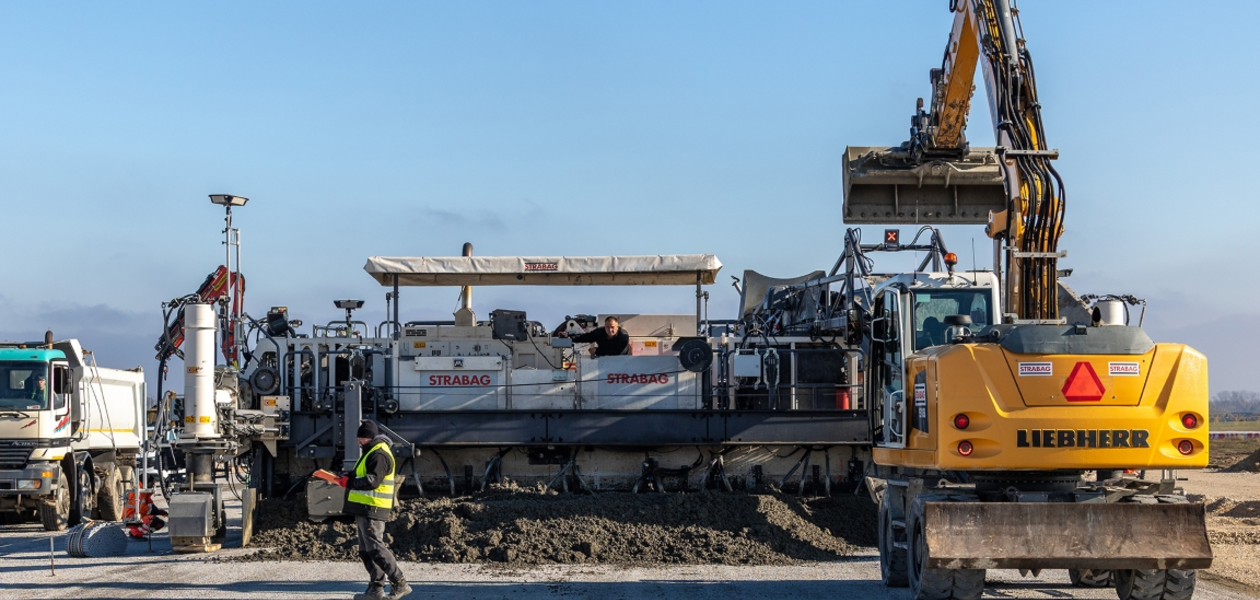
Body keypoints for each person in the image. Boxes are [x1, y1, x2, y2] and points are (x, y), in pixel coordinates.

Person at [341, 420, 410, 600]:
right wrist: (348, 476)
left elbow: (372, 480)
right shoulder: (371, 452)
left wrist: (350, 482)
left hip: (373, 508)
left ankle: (399, 582)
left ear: (370, 437)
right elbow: (363, 475)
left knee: (376, 549)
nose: (359, 441)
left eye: (362, 438)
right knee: (366, 551)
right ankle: (376, 588)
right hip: (365, 508)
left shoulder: (379, 454)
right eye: (358, 438)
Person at [558, 316, 630, 357]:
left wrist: (597, 351)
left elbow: (617, 352)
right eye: (607, 327)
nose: (610, 330)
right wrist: (569, 336)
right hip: (604, 362)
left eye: (612, 327)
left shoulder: (623, 336)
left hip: (623, 362)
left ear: (618, 327)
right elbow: (586, 337)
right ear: (604, 326)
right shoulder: (599, 332)